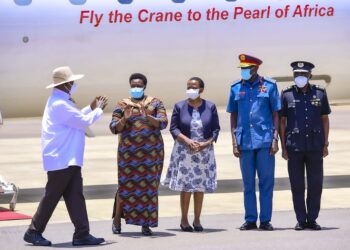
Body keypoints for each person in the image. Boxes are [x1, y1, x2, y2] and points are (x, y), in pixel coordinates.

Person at [23, 66, 108, 246]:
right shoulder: (60, 104)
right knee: (52, 196)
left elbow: (75, 117)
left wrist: (91, 107)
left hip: (68, 158)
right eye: (72, 82)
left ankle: (82, 234)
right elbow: (83, 121)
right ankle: (33, 231)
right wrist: (99, 110)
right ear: (67, 84)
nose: (74, 84)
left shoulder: (60, 100)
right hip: (62, 158)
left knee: (75, 196)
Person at [226, 54, 281, 231]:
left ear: (255, 69)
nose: (243, 72)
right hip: (245, 142)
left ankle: (265, 220)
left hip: (265, 141)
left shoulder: (269, 86)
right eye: (241, 69)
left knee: (266, 182)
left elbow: (275, 113)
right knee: (248, 183)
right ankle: (250, 219)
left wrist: (275, 139)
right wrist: (234, 142)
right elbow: (233, 115)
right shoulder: (235, 88)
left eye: (246, 69)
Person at [109, 73, 168, 236]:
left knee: (149, 188)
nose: (135, 88)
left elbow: (163, 123)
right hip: (128, 153)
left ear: (144, 86)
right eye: (133, 85)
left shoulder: (155, 102)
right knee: (124, 186)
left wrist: (147, 115)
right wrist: (124, 119)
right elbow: (113, 127)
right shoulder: (123, 104)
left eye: (138, 85)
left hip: (152, 153)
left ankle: (146, 224)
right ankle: (116, 220)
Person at [162, 77, 220, 232]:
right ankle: (184, 220)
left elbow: (215, 129)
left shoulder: (210, 106)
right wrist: (188, 141)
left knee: (200, 187)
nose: (190, 89)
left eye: (194, 86)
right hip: (184, 150)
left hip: (203, 151)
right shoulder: (179, 106)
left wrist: (205, 143)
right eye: (188, 86)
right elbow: (174, 128)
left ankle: (197, 220)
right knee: (186, 187)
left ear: (201, 89)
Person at [280, 61, 331, 231]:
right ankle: (301, 220)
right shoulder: (286, 94)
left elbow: (325, 119)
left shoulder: (320, 93)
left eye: (302, 74)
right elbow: (282, 121)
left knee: (316, 184)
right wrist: (283, 146)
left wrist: (325, 143)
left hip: (316, 146)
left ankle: (313, 219)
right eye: (296, 75)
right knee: (297, 185)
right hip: (294, 146)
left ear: (310, 76)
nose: (299, 78)